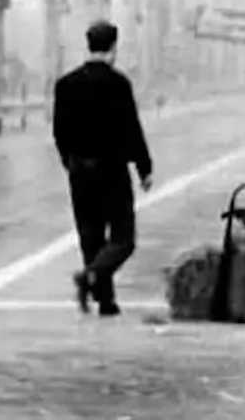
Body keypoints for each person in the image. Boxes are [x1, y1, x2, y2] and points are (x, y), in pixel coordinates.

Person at [52, 21, 153, 316]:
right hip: (112, 170)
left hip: (79, 172)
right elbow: (131, 129)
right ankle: (90, 278)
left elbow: (59, 131)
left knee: (91, 236)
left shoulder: (66, 84)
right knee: (123, 239)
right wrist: (144, 168)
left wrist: (69, 162)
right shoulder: (118, 84)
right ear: (113, 47)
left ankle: (104, 301)